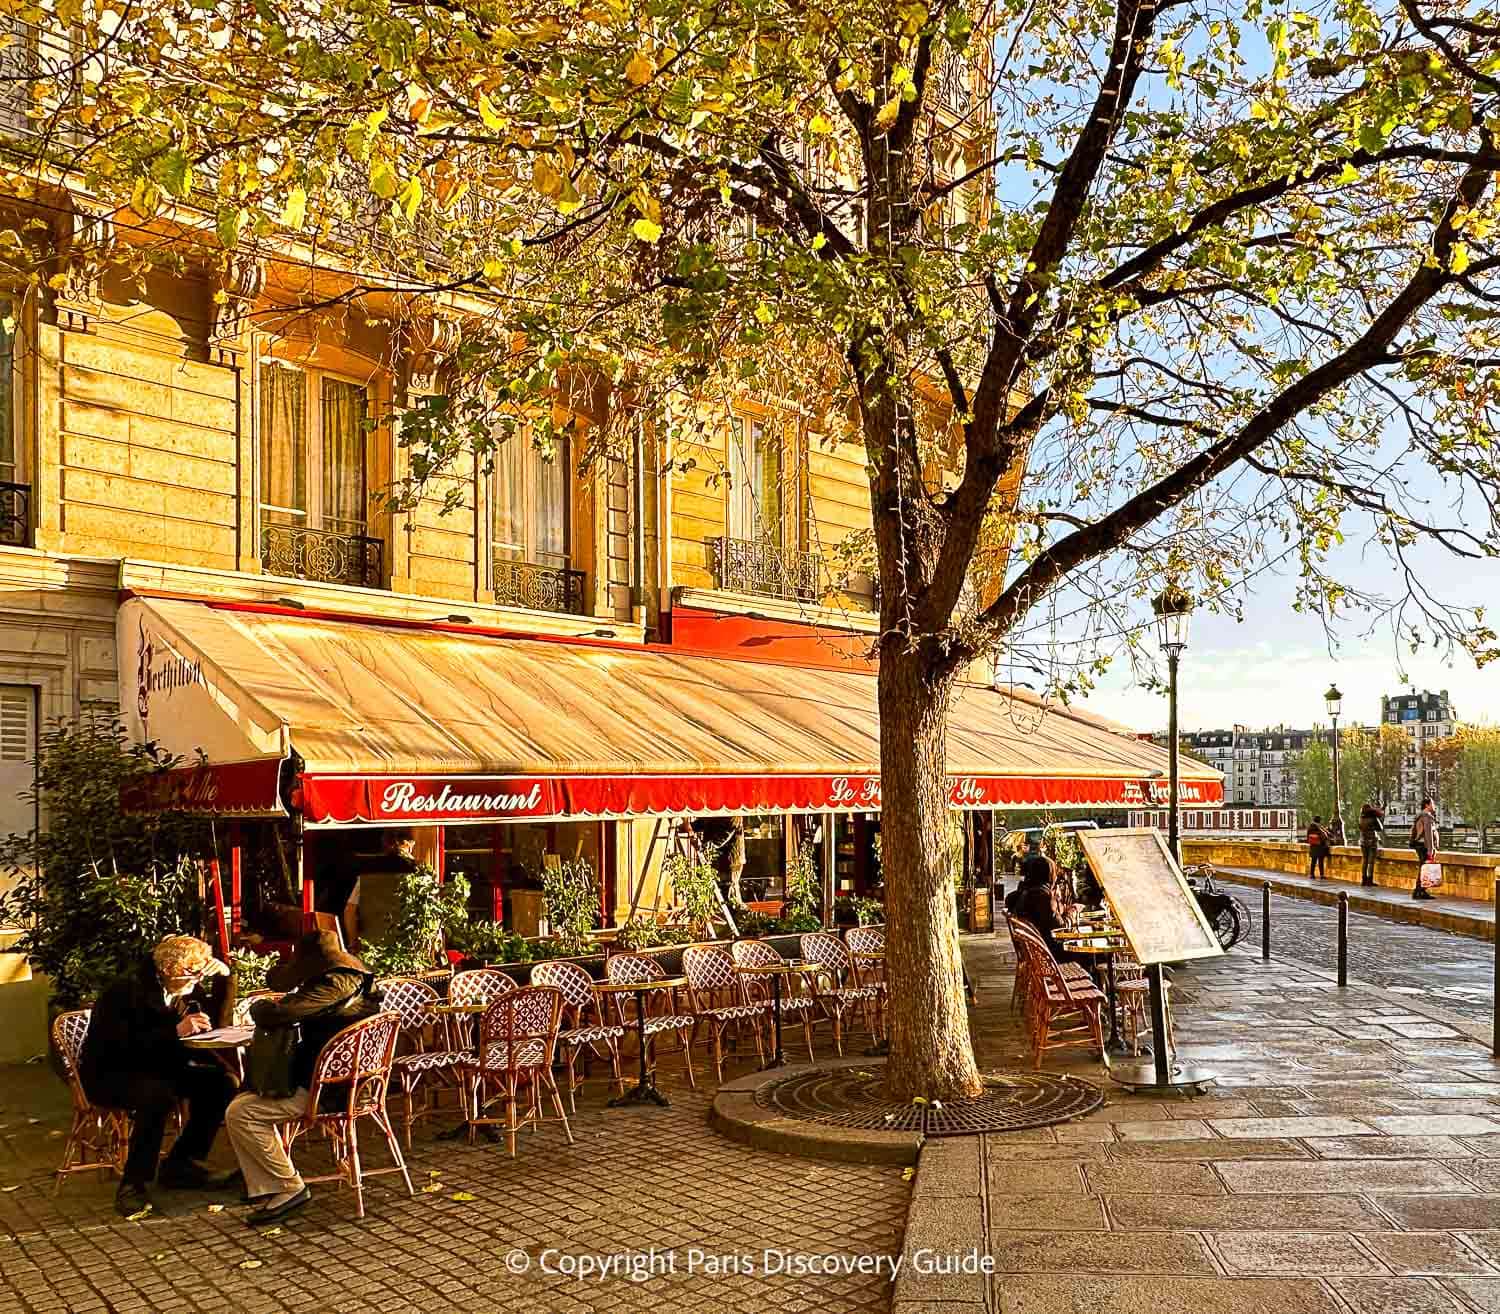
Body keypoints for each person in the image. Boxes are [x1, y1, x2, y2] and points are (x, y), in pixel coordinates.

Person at [224, 930, 380, 1226]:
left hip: (331, 1090)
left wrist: (259, 1006)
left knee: (241, 1112)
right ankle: (268, 1184)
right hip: (347, 1081)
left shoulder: (333, 984)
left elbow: (278, 1014)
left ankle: (288, 1188)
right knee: (243, 1097)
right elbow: (281, 984)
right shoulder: (353, 980)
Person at [77, 934, 239, 1217]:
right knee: (157, 1096)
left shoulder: (183, 985)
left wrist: (225, 976)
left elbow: (219, 1020)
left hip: (160, 1065)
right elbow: (119, 1046)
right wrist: (174, 1032)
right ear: (167, 969)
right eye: (192, 971)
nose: (196, 978)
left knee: (222, 1083)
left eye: (201, 971)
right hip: (113, 1072)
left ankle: (182, 1164)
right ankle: (134, 1183)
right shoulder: (125, 991)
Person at [1005, 840, 1075, 964]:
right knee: (1093, 956)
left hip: (1036, 955)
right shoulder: (1042, 897)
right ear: (1048, 875)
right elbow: (1061, 928)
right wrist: (1072, 912)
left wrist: (1058, 902)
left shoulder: (1025, 892)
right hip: (1051, 956)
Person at [1411, 797, 1439, 901]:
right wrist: (1430, 851)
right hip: (1424, 846)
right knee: (1424, 869)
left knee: (1423, 868)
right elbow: (1428, 835)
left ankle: (1419, 890)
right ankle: (1419, 891)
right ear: (1427, 805)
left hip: (1419, 845)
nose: (1434, 806)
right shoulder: (1426, 817)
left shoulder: (1420, 816)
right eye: (1433, 803)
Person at [1358, 800, 1385, 887]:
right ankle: (1370, 880)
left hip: (1363, 841)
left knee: (1364, 861)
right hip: (1372, 842)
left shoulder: (1361, 819)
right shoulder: (1373, 818)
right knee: (1370, 862)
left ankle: (1363, 880)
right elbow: (1380, 828)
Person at [1306, 815, 1331, 879]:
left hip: (1313, 846)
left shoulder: (1310, 827)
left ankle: (1312, 874)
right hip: (1320, 846)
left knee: (1313, 861)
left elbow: (1308, 837)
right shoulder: (1319, 827)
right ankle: (1321, 875)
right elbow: (1323, 836)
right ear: (1319, 820)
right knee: (1320, 861)